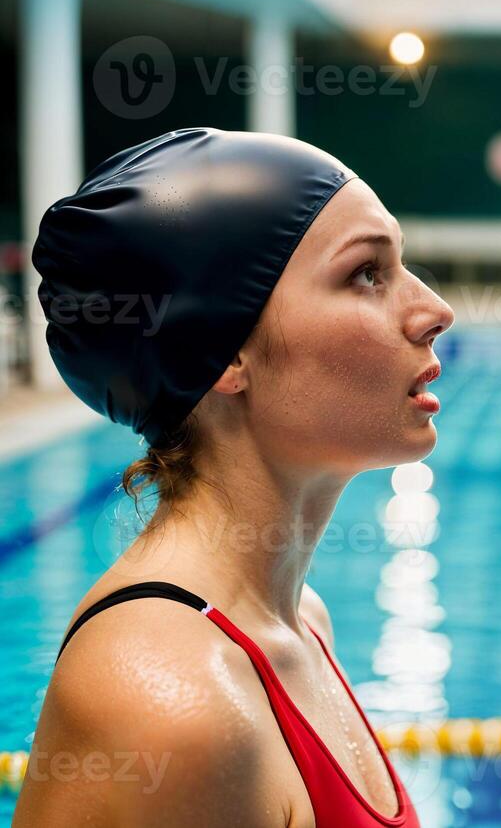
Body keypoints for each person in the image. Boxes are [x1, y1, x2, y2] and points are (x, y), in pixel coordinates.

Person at [15, 128, 452, 827]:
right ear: (222, 352)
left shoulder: (300, 624)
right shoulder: (179, 703)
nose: (434, 311)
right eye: (366, 273)